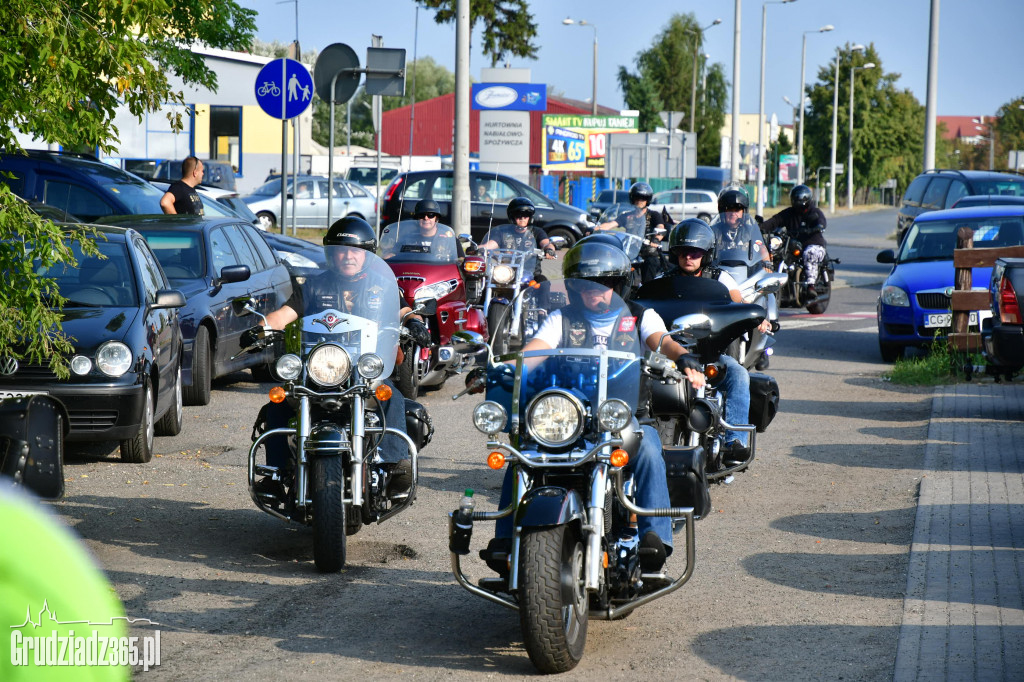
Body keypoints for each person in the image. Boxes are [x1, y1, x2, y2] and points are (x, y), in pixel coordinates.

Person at [495, 240, 705, 573]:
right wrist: (505, 368)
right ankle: (505, 540)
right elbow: (534, 351)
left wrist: (683, 357)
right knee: (523, 451)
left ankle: (655, 541)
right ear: (575, 288)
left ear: (618, 284)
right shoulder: (561, 319)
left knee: (650, 448)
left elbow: (661, 340)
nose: (597, 293)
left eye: (605, 284)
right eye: (587, 286)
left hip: (623, 416)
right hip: (572, 416)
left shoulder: (638, 316)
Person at [251, 217, 430, 495]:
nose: (348, 256)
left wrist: (415, 322)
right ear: (331, 254)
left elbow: (402, 310)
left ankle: (396, 465)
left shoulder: (381, 286)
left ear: (367, 255)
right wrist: (260, 329)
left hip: (363, 369)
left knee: (390, 396)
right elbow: (283, 315)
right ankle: (277, 473)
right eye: (341, 250)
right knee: (280, 402)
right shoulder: (313, 286)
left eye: (355, 251)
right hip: (319, 369)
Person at [659, 218, 761, 465]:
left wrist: (755, 318)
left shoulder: (720, 278)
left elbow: (737, 303)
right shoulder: (663, 279)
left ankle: (734, 441)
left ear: (706, 254)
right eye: (683, 252)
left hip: (709, 353)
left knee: (738, 375)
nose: (689, 257)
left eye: (695, 252)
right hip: (672, 354)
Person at [759, 184, 828, 298]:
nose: (796, 202)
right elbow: (775, 220)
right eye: (795, 199)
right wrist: (760, 227)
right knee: (775, 254)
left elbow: (821, 221)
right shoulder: (789, 213)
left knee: (809, 253)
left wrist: (818, 226)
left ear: (806, 200)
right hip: (793, 243)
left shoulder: (814, 212)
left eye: (799, 200)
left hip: (813, 243)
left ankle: (811, 286)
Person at [596, 182, 667, 282]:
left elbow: (660, 227)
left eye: (643, 198)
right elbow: (611, 224)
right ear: (632, 199)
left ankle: (646, 291)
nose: (639, 201)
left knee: (651, 262)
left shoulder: (654, 215)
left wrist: (656, 239)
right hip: (630, 250)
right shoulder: (627, 216)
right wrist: (595, 228)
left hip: (648, 251)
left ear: (648, 200)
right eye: (637, 197)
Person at [710, 186, 771, 272]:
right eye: (729, 209)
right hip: (719, 274)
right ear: (723, 212)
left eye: (737, 209)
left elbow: (762, 249)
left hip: (745, 275)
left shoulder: (750, 231)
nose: (733, 213)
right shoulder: (714, 231)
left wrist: (767, 263)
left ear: (744, 212)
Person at [381, 199, 462, 261]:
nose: (426, 218)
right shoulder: (406, 239)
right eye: (421, 215)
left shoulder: (450, 240)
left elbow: (461, 261)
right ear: (417, 218)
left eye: (430, 215)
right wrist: (383, 260)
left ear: (436, 218)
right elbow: (392, 256)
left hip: (441, 279)